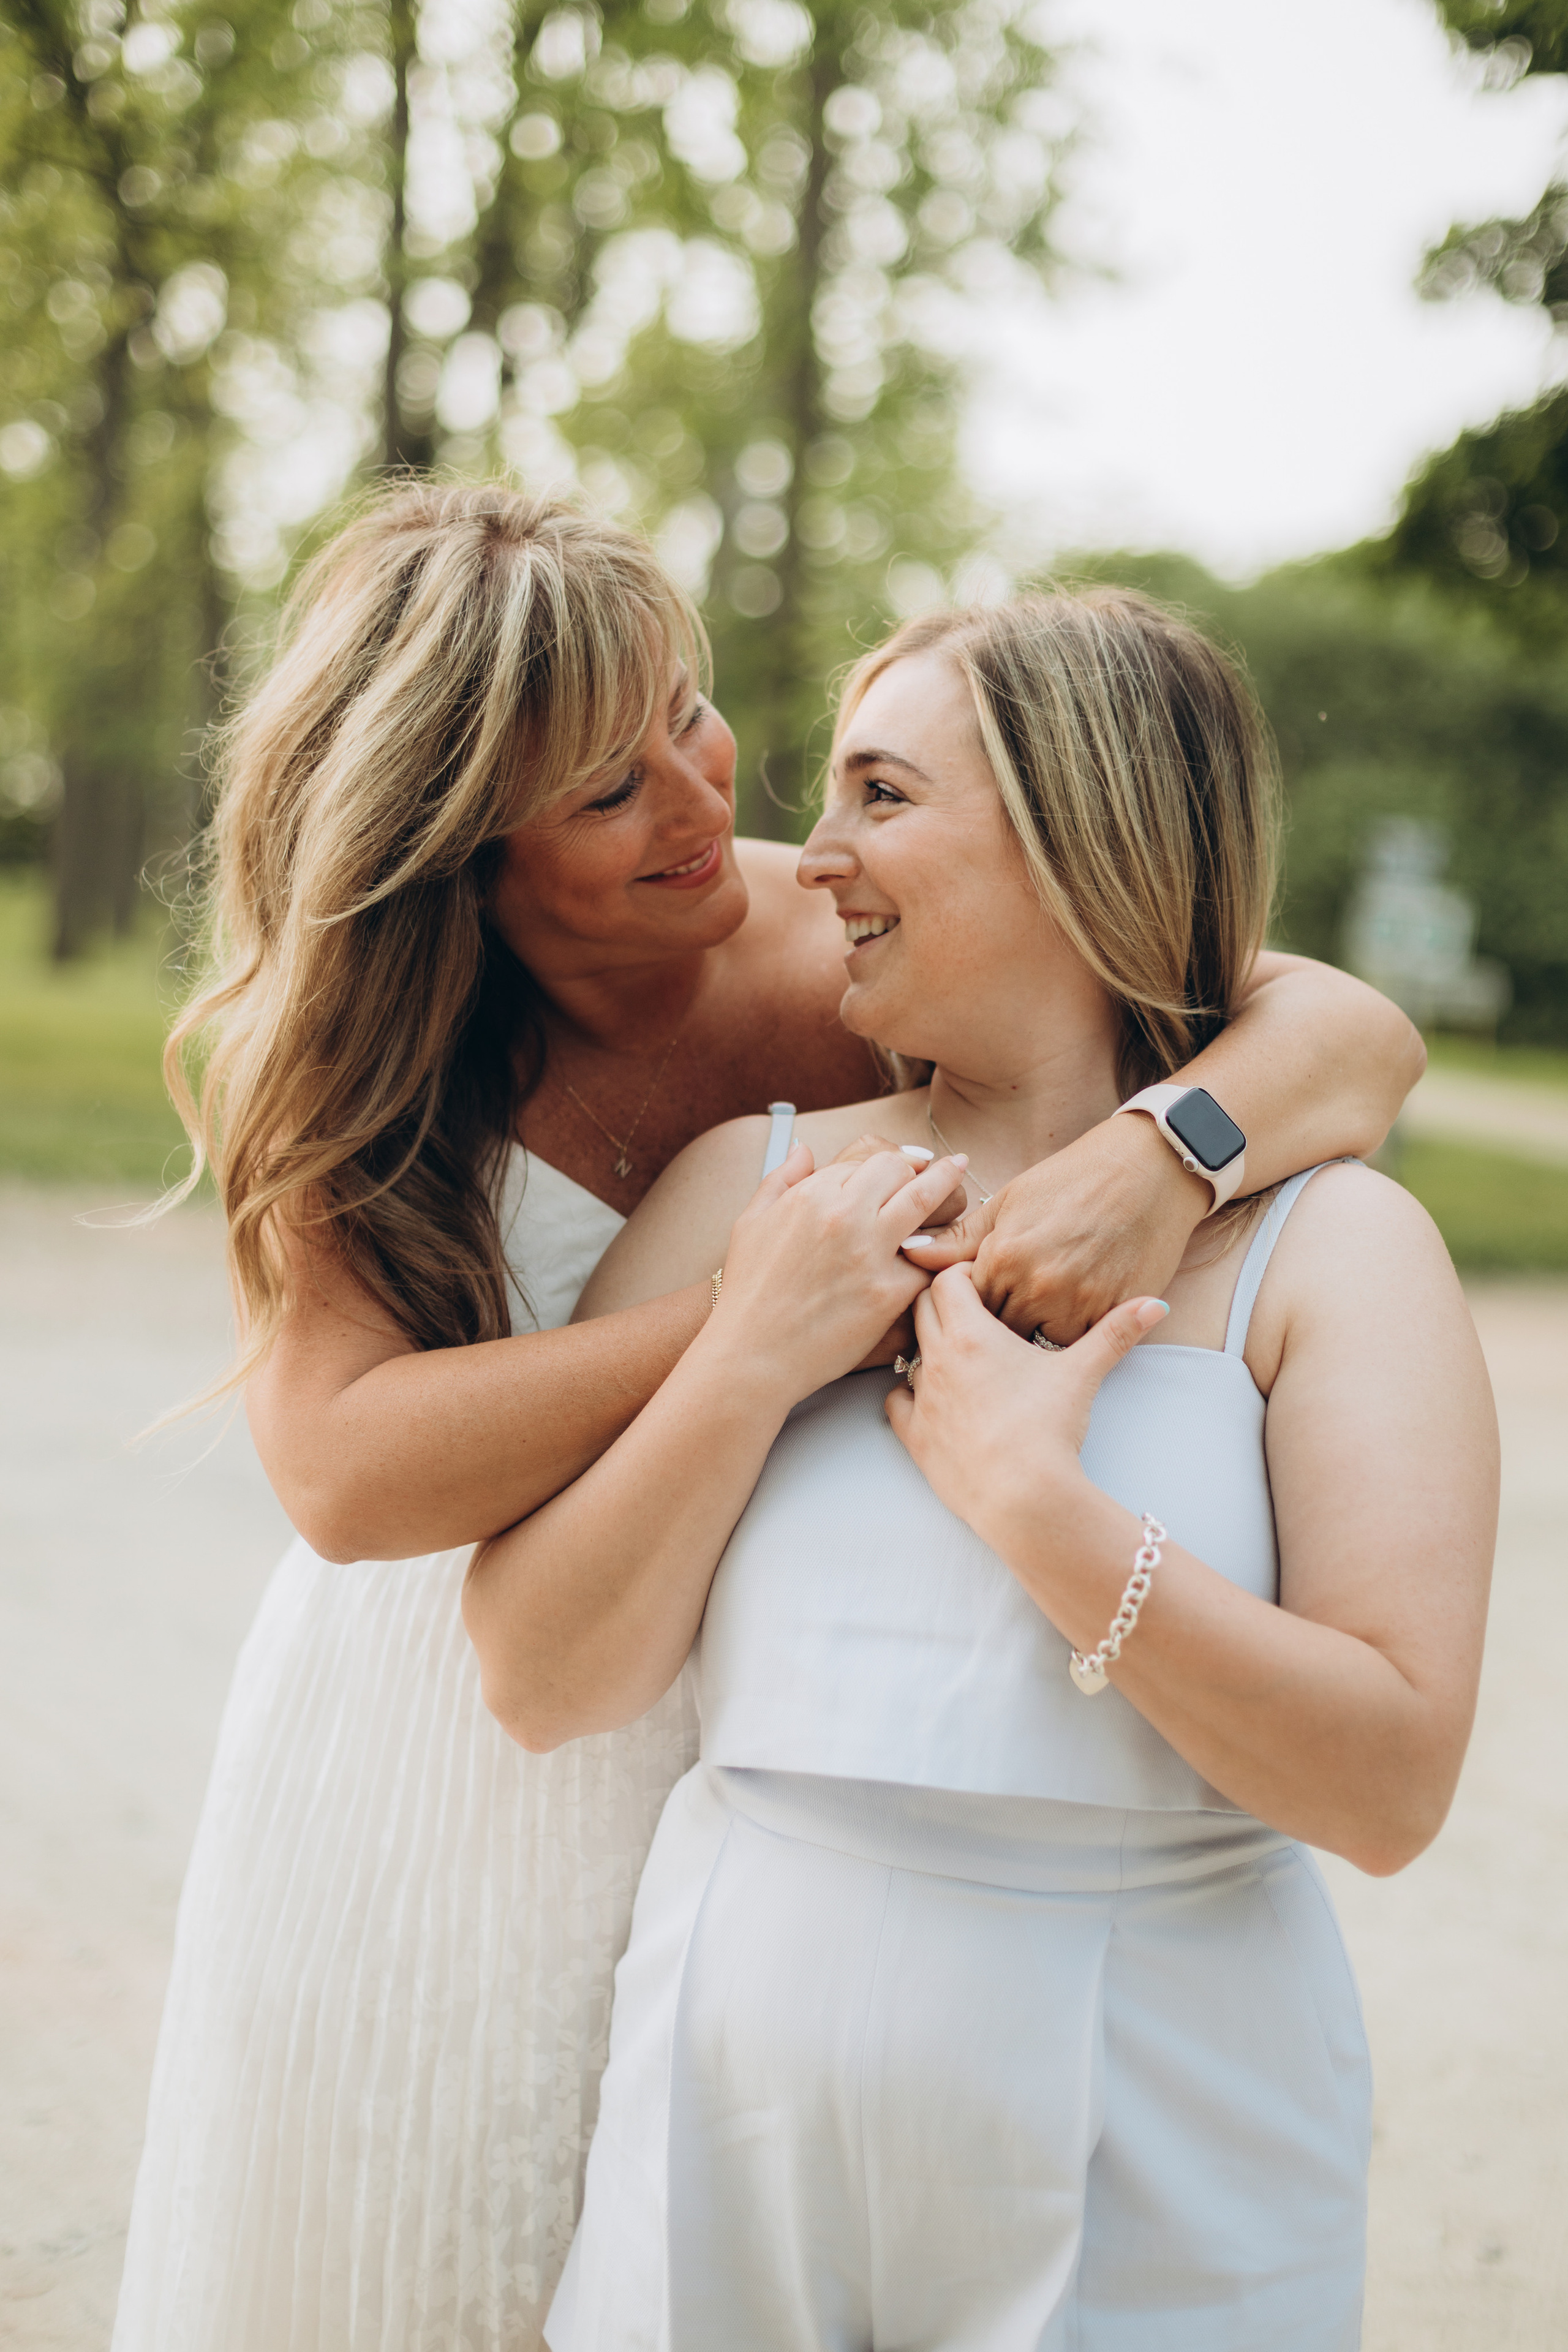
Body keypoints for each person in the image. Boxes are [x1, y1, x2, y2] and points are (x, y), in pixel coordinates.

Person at [115, 484, 1421, 2352]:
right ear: (458, 853)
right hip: (453, 1707)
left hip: (752, 1689)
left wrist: (1169, 1149)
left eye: (691, 708)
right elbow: (342, 1472)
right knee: (396, 2242)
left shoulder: (844, 949)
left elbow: (1346, 1034)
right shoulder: (350, 1060)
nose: (706, 797)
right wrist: (751, 1320)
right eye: (604, 790)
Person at [464, 587, 1498, 2350]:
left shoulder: (1333, 1251)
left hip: (1162, 2122)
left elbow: (1389, 1786)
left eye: (881, 796)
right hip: (731, 2113)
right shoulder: (746, 1187)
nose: (815, 860)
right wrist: (751, 1355)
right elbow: (544, 1679)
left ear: (1073, 836)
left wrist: (1046, 1517)